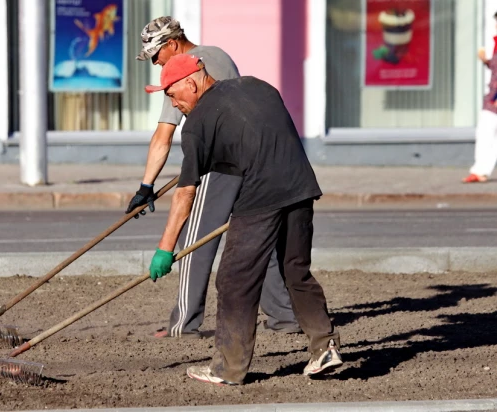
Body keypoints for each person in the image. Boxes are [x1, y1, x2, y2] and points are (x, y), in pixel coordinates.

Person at [146, 54, 343, 385]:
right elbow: (259, 138)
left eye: (171, 95)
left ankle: (228, 368)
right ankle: (324, 347)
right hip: (301, 187)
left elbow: (185, 194)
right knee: (295, 271)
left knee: (234, 281)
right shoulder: (257, 86)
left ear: (191, 84)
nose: (174, 105)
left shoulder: (196, 124)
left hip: (259, 199)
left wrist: (165, 248)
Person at [126, 16, 301, 338]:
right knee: (255, 238)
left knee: (192, 242)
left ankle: (184, 324)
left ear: (172, 45)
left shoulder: (184, 73)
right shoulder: (218, 56)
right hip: (250, 164)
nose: (156, 63)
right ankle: (284, 318)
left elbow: (163, 136)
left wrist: (146, 186)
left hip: (217, 168)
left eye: (156, 55)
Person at [463, 12, 497, 183]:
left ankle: (481, 170)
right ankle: (480, 170)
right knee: (485, 132)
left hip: (495, 97)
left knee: (488, 132)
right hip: (492, 97)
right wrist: (486, 61)